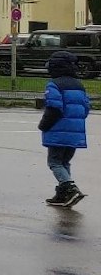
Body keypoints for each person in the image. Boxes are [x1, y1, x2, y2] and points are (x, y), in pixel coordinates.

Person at [42, 49, 89, 208]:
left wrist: (44, 125)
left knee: (54, 162)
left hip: (58, 132)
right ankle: (63, 194)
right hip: (75, 134)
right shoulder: (79, 85)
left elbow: (54, 108)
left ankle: (70, 187)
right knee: (64, 162)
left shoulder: (54, 84)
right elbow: (86, 109)